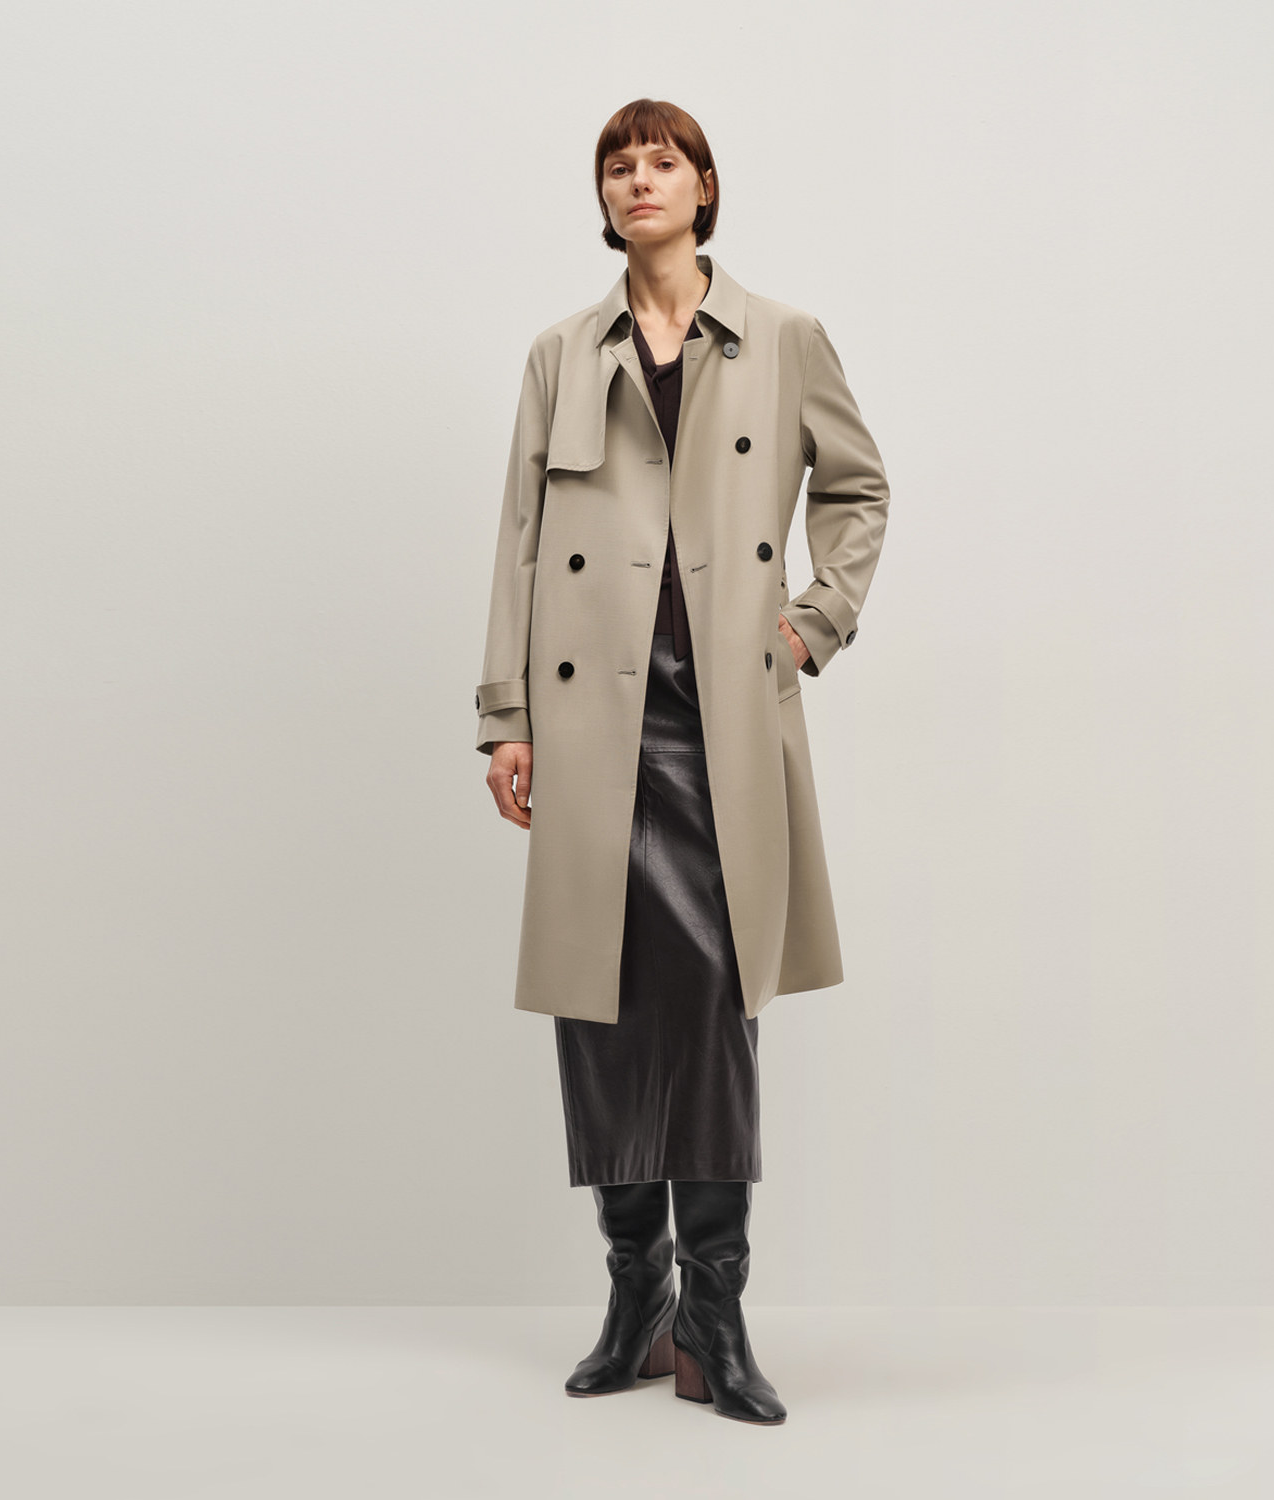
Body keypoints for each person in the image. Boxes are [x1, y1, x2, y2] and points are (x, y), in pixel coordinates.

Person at [474, 98, 890, 1425]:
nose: (638, 178)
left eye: (663, 160)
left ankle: (716, 1306)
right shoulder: (562, 352)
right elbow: (522, 536)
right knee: (600, 1011)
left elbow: (858, 487)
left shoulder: (783, 338)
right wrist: (505, 715)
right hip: (587, 716)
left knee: (713, 1006)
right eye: (619, 163)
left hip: (719, 717)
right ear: (604, 197)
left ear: (705, 187)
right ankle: (634, 1298)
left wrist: (813, 622)